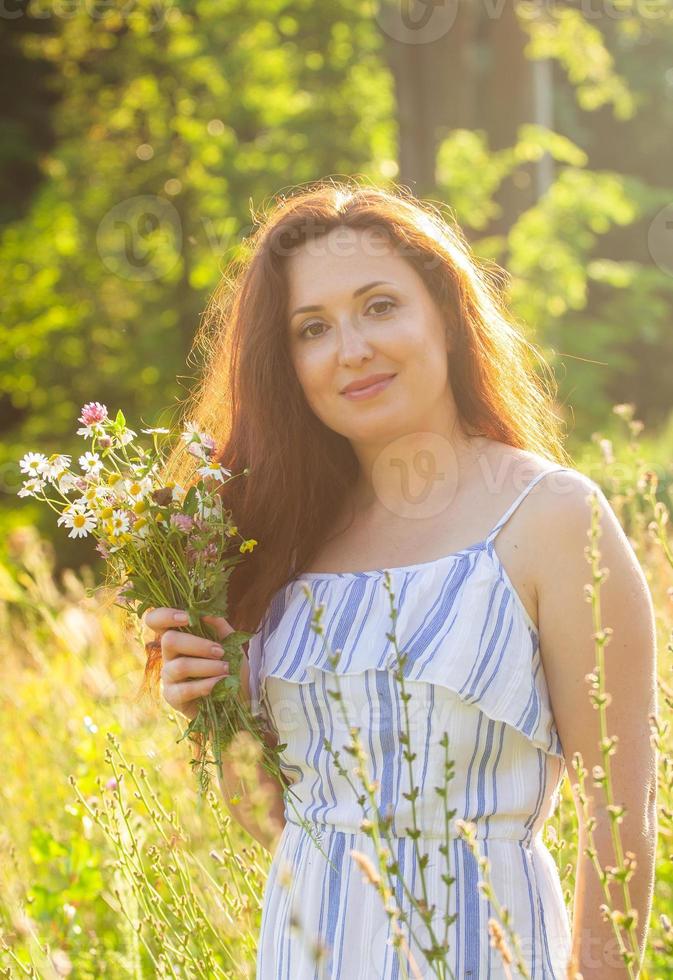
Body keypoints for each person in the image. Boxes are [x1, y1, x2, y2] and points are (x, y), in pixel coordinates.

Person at [143, 180, 657, 979]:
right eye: (312, 329)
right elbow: (283, 823)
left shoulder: (553, 519)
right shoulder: (270, 546)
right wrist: (211, 710)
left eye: (379, 306)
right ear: (288, 366)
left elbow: (618, 817)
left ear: (445, 316)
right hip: (305, 952)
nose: (351, 349)